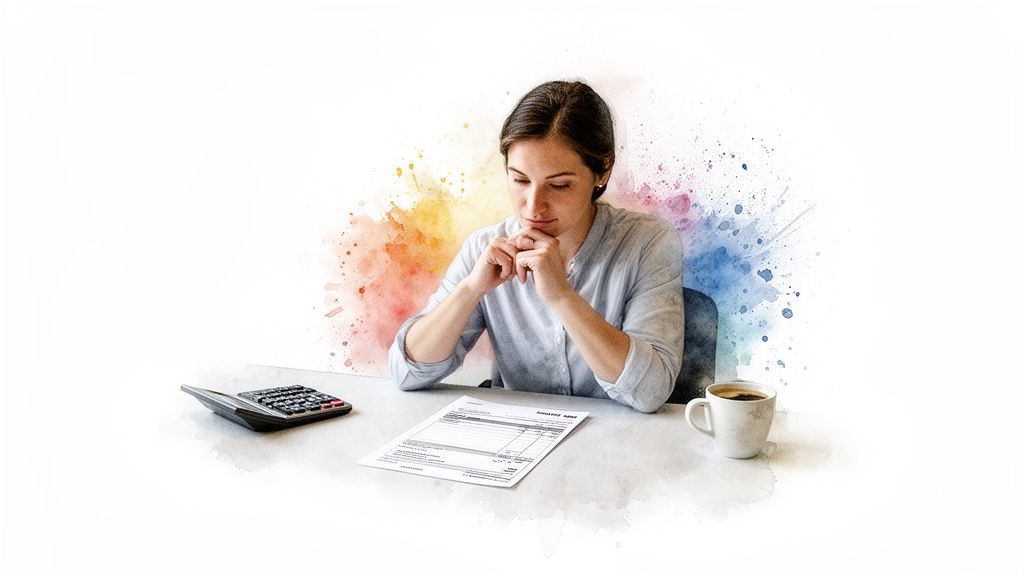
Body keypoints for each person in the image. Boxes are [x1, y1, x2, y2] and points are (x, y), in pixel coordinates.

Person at [388, 80, 684, 413]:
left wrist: (562, 296)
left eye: (559, 186)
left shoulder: (649, 244)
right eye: (519, 180)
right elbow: (405, 373)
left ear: (603, 171)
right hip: (516, 445)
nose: (533, 207)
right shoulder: (485, 247)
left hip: (616, 451)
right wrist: (470, 290)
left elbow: (651, 391)